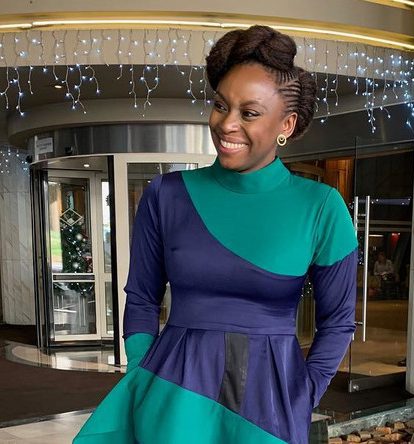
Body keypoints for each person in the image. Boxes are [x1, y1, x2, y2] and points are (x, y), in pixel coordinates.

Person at [74, 25, 357, 444]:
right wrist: (141, 374)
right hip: (172, 394)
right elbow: (142, 297)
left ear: (287, 123)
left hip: (270, 405)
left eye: (249, 113)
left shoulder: (321, 206)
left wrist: (304, 393)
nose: (226, 124)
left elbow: (338, 321)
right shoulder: (166, 195)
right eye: (221, 105)